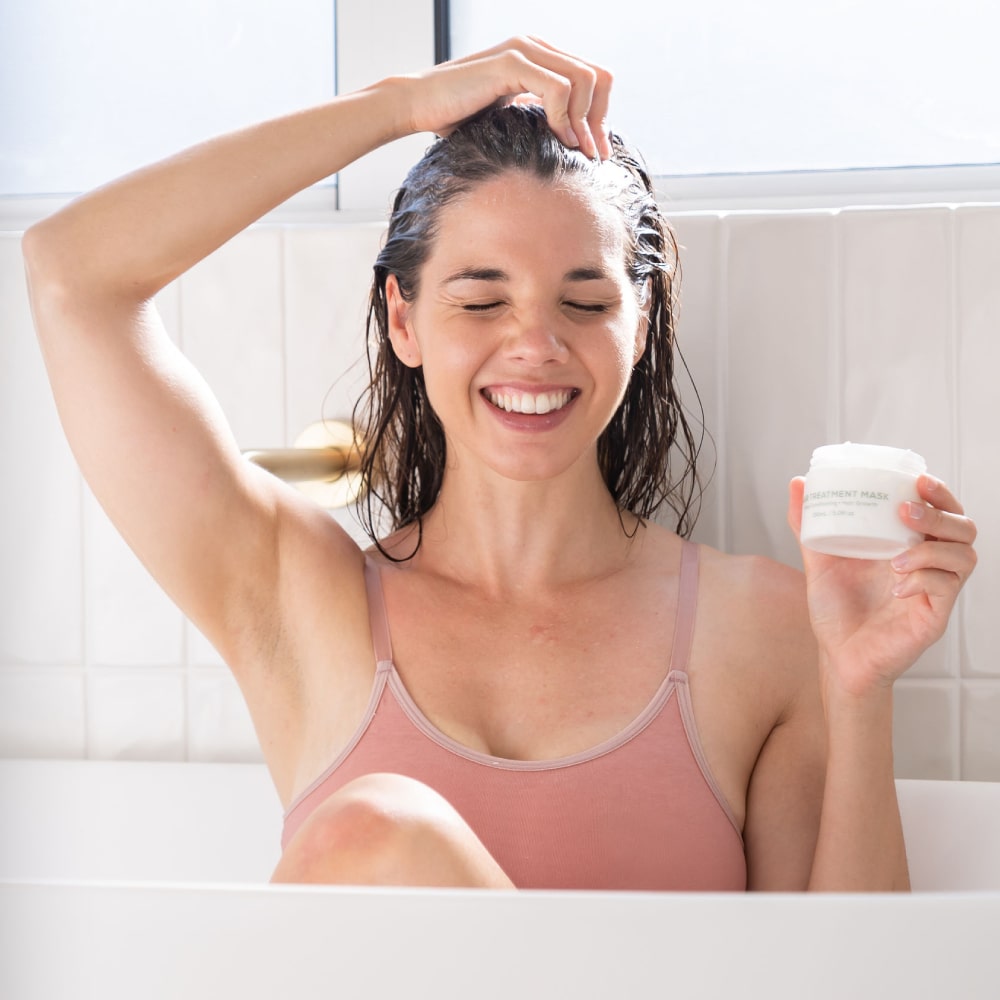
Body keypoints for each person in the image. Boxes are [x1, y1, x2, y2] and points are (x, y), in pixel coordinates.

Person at [23, 37, 977, 892]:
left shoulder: (762, 629)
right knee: (374, 836)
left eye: (585, 302)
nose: (534, 347)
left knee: (376, 833)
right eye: (482, 302)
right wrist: (398, 103)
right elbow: (72, 275)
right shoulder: (295, 599)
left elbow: (849, 976)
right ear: (404, 319)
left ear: (642, 325)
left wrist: (859, 691)